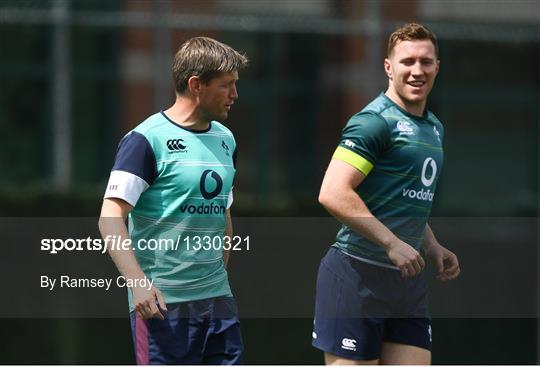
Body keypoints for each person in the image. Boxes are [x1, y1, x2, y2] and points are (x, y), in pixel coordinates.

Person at [312, 23, 460, 365]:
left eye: (426, 62)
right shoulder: (373, 122)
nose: (417, 70)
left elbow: (403, 197)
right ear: (388, 67)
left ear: (437, 66)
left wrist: (431, 244)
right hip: (355, 274)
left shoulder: (434, 127)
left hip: (407, 282)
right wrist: (392, 243)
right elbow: (333, 193)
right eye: (407, 61)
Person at [98, 37, 248, 365]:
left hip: (218, 302)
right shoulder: (145, 140)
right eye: (227, 86)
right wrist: (138, 285)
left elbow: (223, 211)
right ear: (196, 85)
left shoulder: (226, 140)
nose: (235, 95)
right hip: (164, 306)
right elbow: (109, 217)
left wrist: (216, 274)